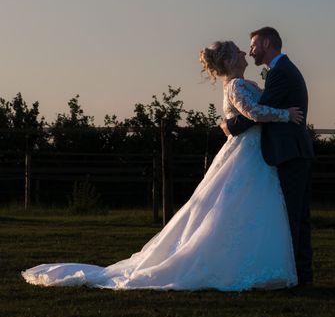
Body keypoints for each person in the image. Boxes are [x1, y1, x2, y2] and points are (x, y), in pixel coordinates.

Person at [22, 41, 304, 291]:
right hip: (246, 152)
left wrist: (231, 124)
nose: (245, 53)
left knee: (246, 208)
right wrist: (284, 114)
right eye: (240, 51)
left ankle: (249, 263)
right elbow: (253, 112)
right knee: (235, 207)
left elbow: (248, 114)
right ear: (230, 60)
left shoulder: (243, 84)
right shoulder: (237, 85)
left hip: (252, 152)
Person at [221, 27, 314, 286]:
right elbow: (263, 108)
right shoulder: (280, 70)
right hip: (291, 152)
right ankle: (301, 276)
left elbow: (259, 110)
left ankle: (296, 276)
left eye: (252, 46)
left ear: (266, 43)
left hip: (290, 153)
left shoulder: (281, 72)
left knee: (292, 217)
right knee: (296, 217)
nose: (250, 51)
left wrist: (229, 126)